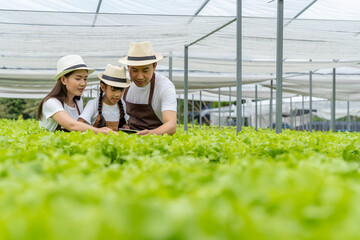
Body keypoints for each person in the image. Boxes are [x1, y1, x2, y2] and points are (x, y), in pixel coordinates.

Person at [37, 54, 113, 134]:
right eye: (78, 78)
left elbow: (79, 128)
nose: (83, 83)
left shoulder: (78, 102)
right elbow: (72, 125)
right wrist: (100, 132)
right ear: (63, 80)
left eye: (85, 79)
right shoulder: (51, 102)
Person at [119, 41, 177, 135]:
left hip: (157, 139)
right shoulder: (123, 82)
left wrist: (149, 135)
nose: (140, 76)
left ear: (154, 66)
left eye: (145, 70)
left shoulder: (165, 86)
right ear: (128, 67)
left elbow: (171, 125)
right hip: (129, 137)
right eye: (134, 70)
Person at [78, 64, 131, 131]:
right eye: (113, 89)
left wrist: (125, 126)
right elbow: (79, 124)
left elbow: (126, 122)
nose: (117, 94)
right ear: (103, 87)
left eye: (121, 90)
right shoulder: (93, 104)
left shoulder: (122, 104)